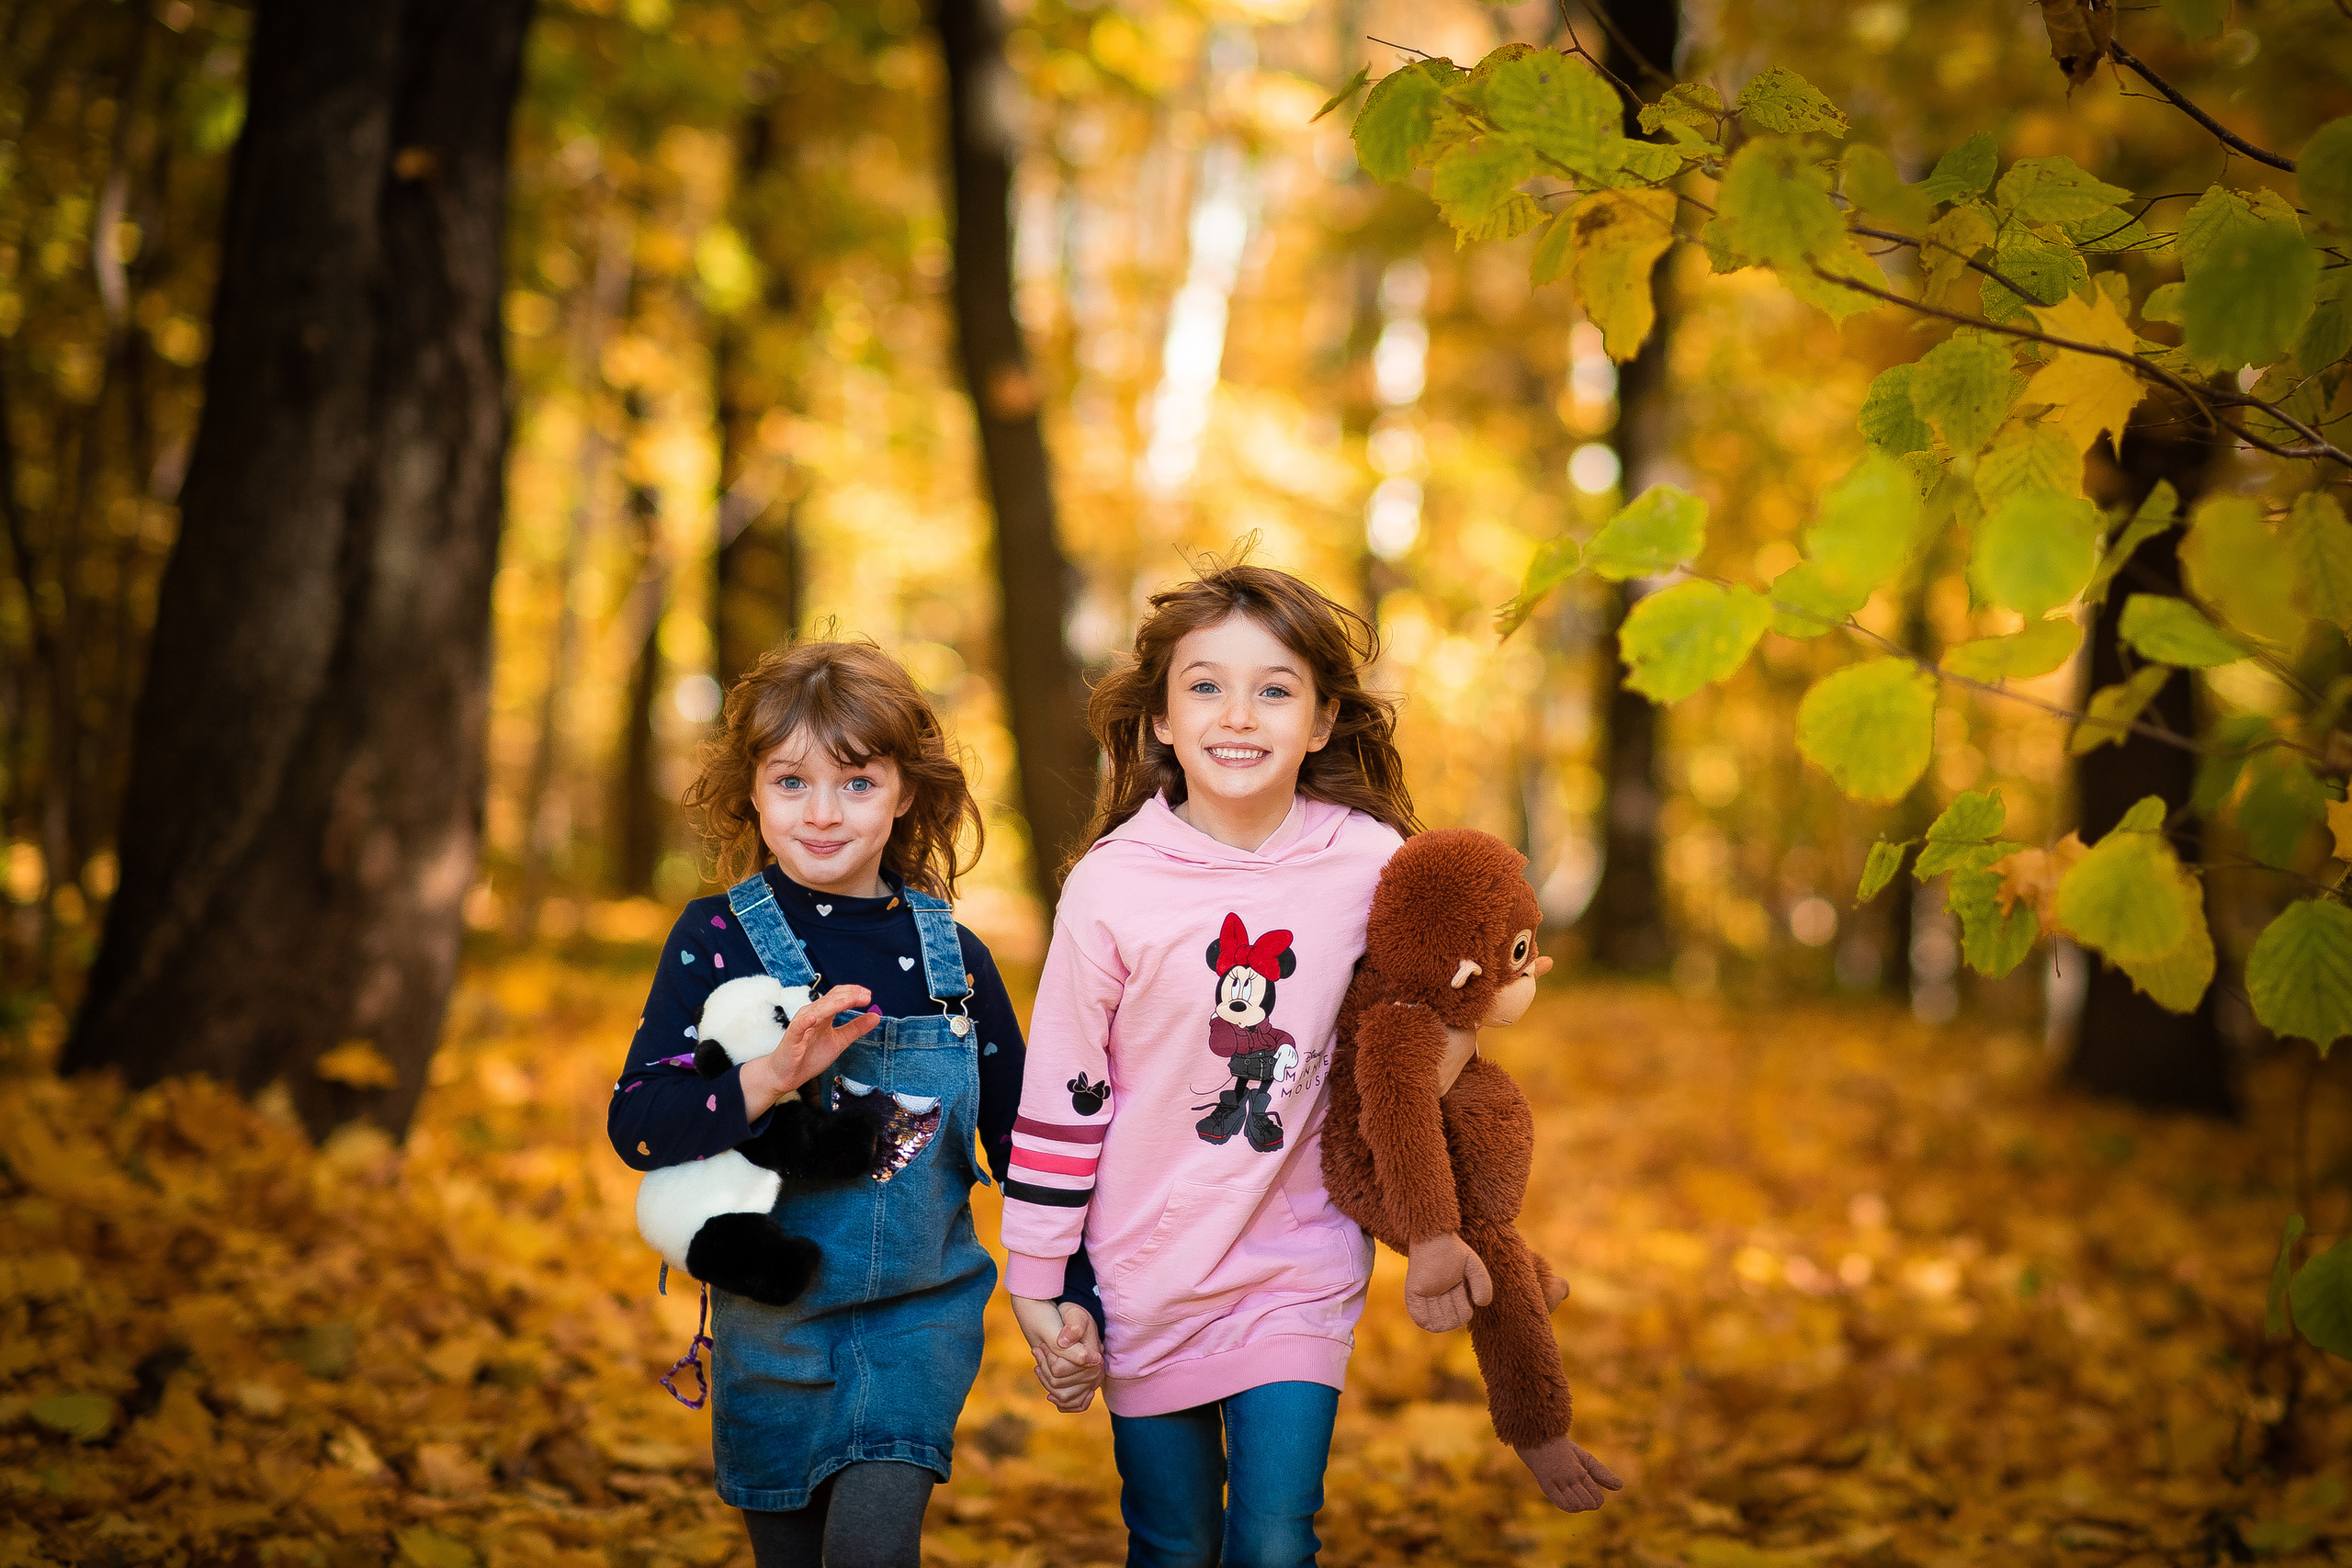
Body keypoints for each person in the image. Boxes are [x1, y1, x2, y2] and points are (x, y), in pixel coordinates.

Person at [607, 637, 1099, 1568]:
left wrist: (1066, 1295)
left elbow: (1027, 1145)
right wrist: (768, 1078)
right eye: (791, 782)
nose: (822, 814)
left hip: (920, 1318)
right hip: (770, 1328)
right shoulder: (714, 939)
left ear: (906, 791)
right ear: (751, 790)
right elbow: (637, 1125)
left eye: (857, 783)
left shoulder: (957, 960)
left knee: (872, 1549)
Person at [1001, 560, 1420, 1567]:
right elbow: (1063, 1090)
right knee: (1173, 1544)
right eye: (1205, 685)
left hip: (1297, 1262)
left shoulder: (1370, 864)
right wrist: (1036, 1273)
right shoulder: (1112, 888)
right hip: (1144, 1267)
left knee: (1276, 1540)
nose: (1239, 713)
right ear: (1159, 718)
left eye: (1274, 688)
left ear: (1321, 722)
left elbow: (1439, 1009)